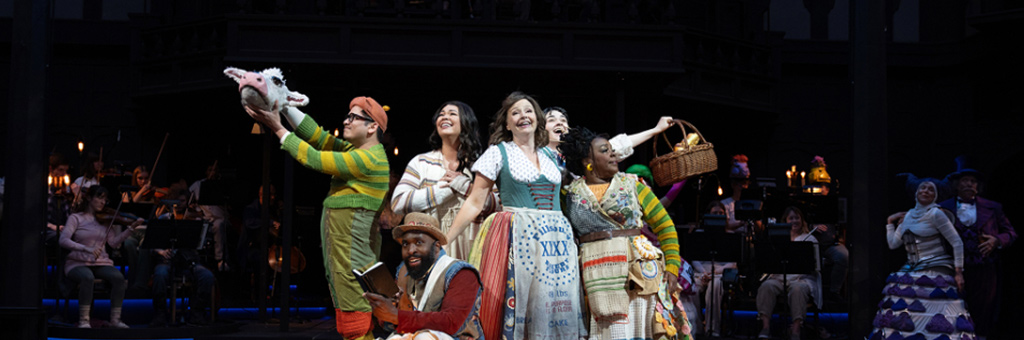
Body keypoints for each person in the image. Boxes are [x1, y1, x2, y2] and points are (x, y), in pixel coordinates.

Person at [244, 95, 390, 340]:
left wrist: (277, 127)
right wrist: (284, 105)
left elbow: (313, 158)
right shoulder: (354, 150)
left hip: (354, 264)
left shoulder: (369, 159)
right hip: (346, 262)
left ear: (372, 126)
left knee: (357, 326)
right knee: (355, 324)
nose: (346, 121)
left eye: (353, 117)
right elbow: (318, 137)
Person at [446, 91, 585, 340]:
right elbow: (474, 203)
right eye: (515, 112)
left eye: (529, 110)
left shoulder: (551, 156)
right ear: (507, 124)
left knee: (553, 307)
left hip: (555, 243)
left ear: (538, 119)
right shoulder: (498, 153)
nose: (523, 116)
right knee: (518, 304)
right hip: (516, 238)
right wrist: (445, 241)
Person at [559, 126, 684, 339]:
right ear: (586, 161)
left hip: (639, 277)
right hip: (596, 277)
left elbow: (665, 226)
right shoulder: (568, 195)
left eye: (612, 150)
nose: (613, 154)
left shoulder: (633, 186)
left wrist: (672, 267)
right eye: (605, 151)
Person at [870, 178, 975, 340]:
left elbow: (957, 242)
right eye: (922, 188)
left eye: (930, 189)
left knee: (934, 309)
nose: (925, 191)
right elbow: (893, 244)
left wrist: (958, 271)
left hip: (935, 267)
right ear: (916, 193)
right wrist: (890, 222)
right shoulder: (909, 215)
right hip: (912, 268)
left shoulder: (936, 214)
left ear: (935, 196)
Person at [391, 101, 497, 260]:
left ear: (466, 123)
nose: (444, 117)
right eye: (441, 114)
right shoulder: (421, 162)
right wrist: (444, 190)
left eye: (452, 114)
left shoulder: (481, 165)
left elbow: (497, 204)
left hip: (474, 249)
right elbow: (398, 202)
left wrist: (465, 186)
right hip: (432, 249)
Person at [363, 212, 484, 340]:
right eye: (406, 244)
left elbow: (451, 323)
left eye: (419, 242)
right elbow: (396, 325)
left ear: (436, 246)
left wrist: (397, 315)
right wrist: (385, 311)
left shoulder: (462, 273)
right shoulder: (404, 271)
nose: (411, 250)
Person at [938, 158, 1016, 339]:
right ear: (957, 185)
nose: (969, 184)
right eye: (965, 181)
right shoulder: (943, 208)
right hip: (952, 268)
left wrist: (996, 240)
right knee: (953, 308)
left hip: (984, 267)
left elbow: (1010, 233)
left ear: (978, 186)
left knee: (982, 310)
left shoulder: (993, 208)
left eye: (972, 181)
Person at [59, 185, 144, 328]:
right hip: (77, 262)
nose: (103, 202)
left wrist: (130, 229)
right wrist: (86, 248)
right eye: (99, 198)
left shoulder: (104, 220)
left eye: (105, 199)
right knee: (87, 277)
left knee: (118, 278)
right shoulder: (76, 218)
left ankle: (115, 319)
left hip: (100, 262)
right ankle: (84, 320)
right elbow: (63, 240)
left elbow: (114, 243)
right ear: (89, 198)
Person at [148, 187, 216, 327]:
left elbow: (201, 244)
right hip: (167, 259)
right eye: (176, 201)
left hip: (188, 260)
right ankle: (160, 313)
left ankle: (196, 312)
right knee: (160, 275)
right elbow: (152, 243)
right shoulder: (164, 218)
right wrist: (161, 251)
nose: (179, 204)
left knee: (207, 276)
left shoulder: (193, 219)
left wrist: (201, 230)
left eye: (183, 201)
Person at [756, 206, 821, 340]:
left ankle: (796, 331)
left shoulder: (810, 239)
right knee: (766, 287)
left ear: (802, 220)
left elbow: (816, 267)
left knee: (798, 289)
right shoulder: (777, 240)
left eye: (797, 218)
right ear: (785, 221)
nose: (794, 221)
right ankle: (765, 327)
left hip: (802, 279)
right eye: (791, 218)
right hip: (780, 278)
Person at [543, 106, 676, 166]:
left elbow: (618, 145)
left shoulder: (579, 155)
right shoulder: (534, 155)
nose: (559, 122)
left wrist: (655, 130)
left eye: (563, 120)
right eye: (551, 120)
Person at [690, 200, 737, 337]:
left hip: (720, 273)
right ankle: (697, 328)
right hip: (701, 271)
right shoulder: (699, 233)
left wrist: (714, 272)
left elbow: (733, 263)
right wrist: (704, 272)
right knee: (692, 287)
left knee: (715, 287)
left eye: (721, 213)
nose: (718, 215)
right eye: (715, 213)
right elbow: (694, 258)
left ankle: (712, 329)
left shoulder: (730, 236)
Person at [188, 162, 230, 271]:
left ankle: (220, 259)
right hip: (204, 217)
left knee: (219, 225)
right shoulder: (198, 185)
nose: (212, 173)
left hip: (219, 218)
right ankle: (195, 257)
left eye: (214, 170)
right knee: (196, 223)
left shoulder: (222, 186)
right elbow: (188, 199)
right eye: (210, 170)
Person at [721, 155, 754, 232]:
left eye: (746, 183)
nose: (744, 187)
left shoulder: (752, 204)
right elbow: (723, 226)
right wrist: (741, 223)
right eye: (741, 184)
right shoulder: (724, 204)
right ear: (733, 185)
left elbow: (760, 229)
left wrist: (754, 217)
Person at [47, 153, 72, 243]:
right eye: (60, 170)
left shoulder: (65, 189)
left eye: (65, 171)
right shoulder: (45, 188)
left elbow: (68, 214)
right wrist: (53, 226)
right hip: (48, 228)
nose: (63, 174)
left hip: (62, 228)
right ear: (51, 169)